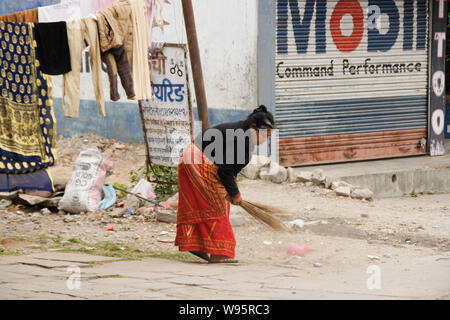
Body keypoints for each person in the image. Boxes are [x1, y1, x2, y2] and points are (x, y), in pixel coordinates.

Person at [174, 105, 275, 263]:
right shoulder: (243, 141)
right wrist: (235, 194)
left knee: (202, 204)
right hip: (198, 162)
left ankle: (197, 246)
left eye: (268, 136)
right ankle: (219, 252)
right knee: (218, 204)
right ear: (253, 128)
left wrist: (233, 190)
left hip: (190, 158)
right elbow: (225, 171)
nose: (265, 139)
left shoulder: (242, 133)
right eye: (264, 135)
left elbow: (227, 168)